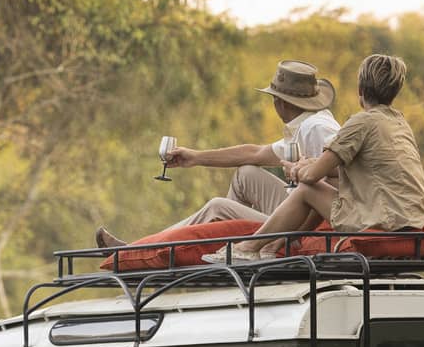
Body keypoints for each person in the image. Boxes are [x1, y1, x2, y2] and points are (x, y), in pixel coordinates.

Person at [206, 53, 424, 262]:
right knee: (312, 186)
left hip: (384, 219)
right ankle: (272, 245)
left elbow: (312, 176)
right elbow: (359, 168)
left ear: (360, 91)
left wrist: (297, 169)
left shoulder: (361, 122)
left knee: (307, 189)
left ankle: (248, 247)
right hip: (413, 215)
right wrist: (312, 165)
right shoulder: (399, 123)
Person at [95, 60, 340, 248]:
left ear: (280, 102)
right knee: (246, 173)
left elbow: (340, 175)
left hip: (309, 224)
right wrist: (196, 157)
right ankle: (225, 244)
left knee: (216, 207)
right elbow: (254, 153)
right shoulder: (305, 125)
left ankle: (139, 249)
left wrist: (297, 230)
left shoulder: (317, 128)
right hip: (300, 208)